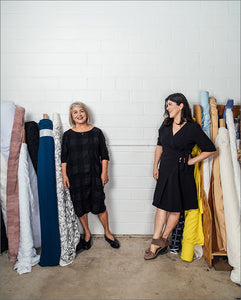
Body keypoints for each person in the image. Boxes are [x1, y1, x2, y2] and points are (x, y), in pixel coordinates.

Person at [144, 93, 216, 260]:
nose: (167, 108)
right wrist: (155, 166)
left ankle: (161, 240)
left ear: (181, 105)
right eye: (166, 105)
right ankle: (156, 242)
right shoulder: (165, 126)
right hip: (165, 169)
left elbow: (210, 149)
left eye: (170, 104)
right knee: (161, 206)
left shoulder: (192, 128)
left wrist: (192, 162)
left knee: (175, 208)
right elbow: (159, 147)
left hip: (182, 172)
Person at [61, 102, 120, 252]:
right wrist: (64, 176)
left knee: (100, 206)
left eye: (81, 111)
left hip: (94, 175)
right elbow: (64, 158)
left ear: (86, 113)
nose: (79, 114)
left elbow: (104, 155)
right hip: (75, 176)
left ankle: (107, 232)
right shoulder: (67, 135)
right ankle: (87, 234)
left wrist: (104, 173)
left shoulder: (97, 132)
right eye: (75, 112)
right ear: (72, 116)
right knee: (80, 208)